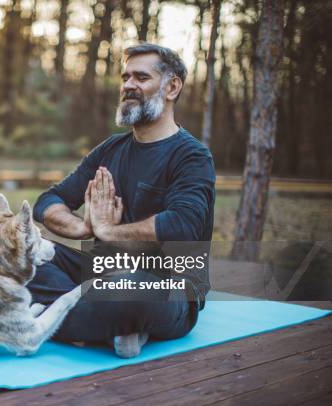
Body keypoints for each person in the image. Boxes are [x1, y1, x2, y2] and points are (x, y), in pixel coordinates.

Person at [27, 43, 216, 358]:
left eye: (141, 77)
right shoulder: (110, 149)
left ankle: (40, 317)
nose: (128, 85)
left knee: (132, 290)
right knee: (23, 257)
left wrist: (109, 232)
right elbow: (48, 201)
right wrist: (83, 227)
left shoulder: (193, 156)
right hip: (101, 273)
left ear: (172, 87)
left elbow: (183, 226)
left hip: (166, 287)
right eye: (125, 77)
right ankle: (109, 327)